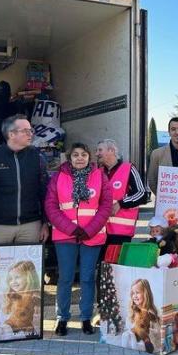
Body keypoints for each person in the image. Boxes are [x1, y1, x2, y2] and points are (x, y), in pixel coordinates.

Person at [45, 143, 112, 336]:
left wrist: (90, 229)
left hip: (92, 236)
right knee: (65, 278)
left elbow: (106, 205)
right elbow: (51, 206)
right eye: (75, 155)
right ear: (69, 158)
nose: (80, 158)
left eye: (84, 154)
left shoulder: (99, 176)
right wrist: (71, 228)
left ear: (89, 157)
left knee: (87, 278)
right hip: (65, 236)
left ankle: (85, 318)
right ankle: (62, 318)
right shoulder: (58, 177)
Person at [0, 114, 50, 249]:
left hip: (31, 226)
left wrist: (45, 223)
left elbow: (45, 193)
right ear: (11, 134)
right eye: (25, 131)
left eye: (31, 130)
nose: (30, 134)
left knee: (27, 269)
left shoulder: (38, 158)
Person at [96, 139, 148, 245]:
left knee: (114, 261)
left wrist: (120, 203)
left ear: (111, 151)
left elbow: (142, 194)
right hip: (99, 229)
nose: (96, 154)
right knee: (99, 261)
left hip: (120, 232)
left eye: (100, 150)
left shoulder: (129, 168)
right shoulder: (97, 172)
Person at [148, 117, 178, 194]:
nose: (177, 132)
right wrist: (165, 198)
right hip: (165, 203)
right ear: (169, 132)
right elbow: (152, 181)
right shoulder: (157, 154)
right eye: (173, 129)